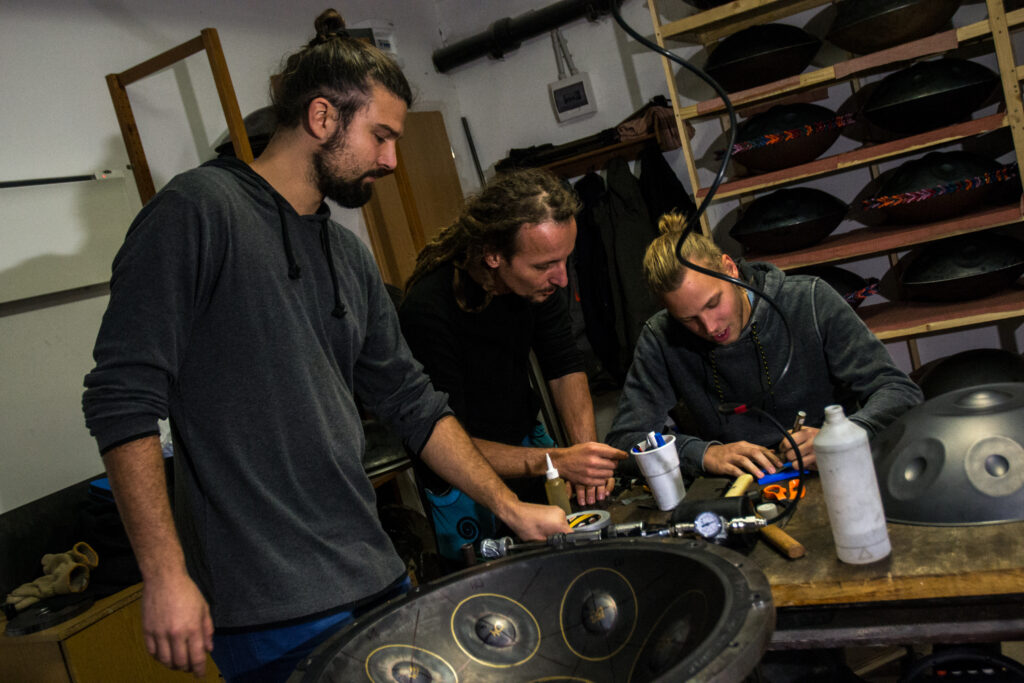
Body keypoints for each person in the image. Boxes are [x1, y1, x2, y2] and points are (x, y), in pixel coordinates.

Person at [81, 10, 568, 682]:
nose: (393, 159)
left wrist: (510, 504)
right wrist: (165, 574)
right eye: (381, 135)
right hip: (268, 605)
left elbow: (411, 400)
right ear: (320, 118)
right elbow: (121, 397)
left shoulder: (345, 252)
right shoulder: (197, 212)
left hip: (372, 573)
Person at [398, 169, 627, 560]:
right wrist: (556, 460)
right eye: (544, 266)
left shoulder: (540, 283)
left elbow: (564, 365)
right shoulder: (428, 308)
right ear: (493, 255)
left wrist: (585, 455)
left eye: (565, 261)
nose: (560, 278)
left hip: (526, 443)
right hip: (459, 468)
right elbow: (445, 436)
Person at [606, 212, 923, 481]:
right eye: (689, 319)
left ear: (730, 268)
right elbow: (624, 442)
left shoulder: (810, 300)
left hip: (837, 473)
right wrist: (703, 454)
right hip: (741, 489)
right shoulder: (661, 336)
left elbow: (899, 391)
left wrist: (846, 433)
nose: (710, 327)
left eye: (714, 303)